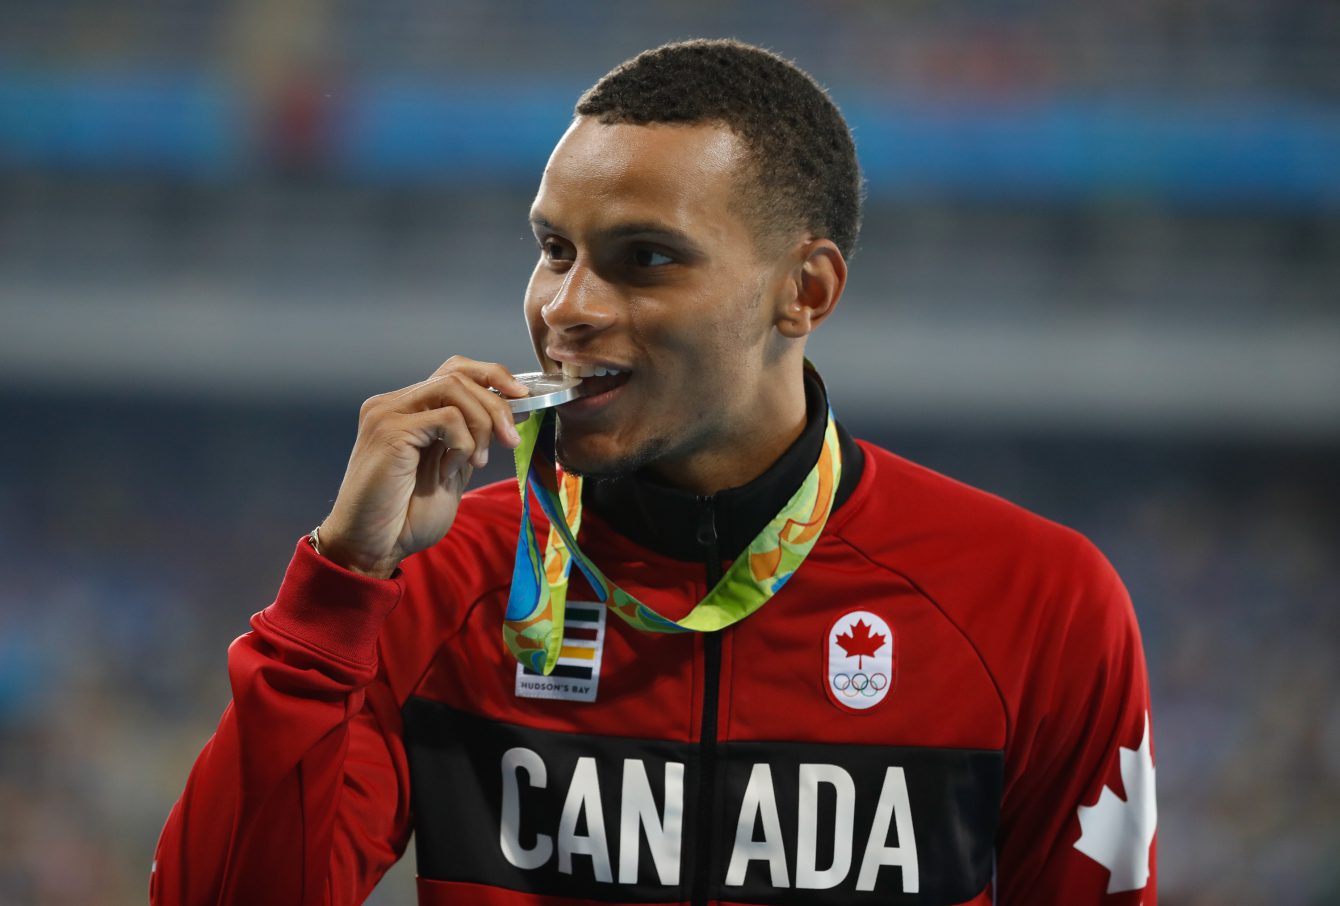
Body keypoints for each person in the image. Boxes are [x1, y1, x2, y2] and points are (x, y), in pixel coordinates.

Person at [151, 39, 1157, 906]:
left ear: (802, 292)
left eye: (644, 260)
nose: (565, 308)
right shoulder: (442, 581)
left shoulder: (1036, 604)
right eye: (554, 250)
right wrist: (338, 589)